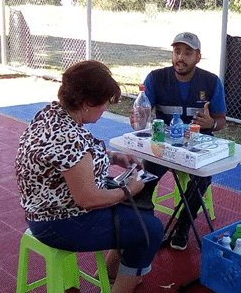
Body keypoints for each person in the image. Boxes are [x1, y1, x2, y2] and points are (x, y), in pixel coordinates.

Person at [15, 60, 162, 292]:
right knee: (150, 230)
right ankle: (124, 282)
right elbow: (88, 199)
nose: (105, 109)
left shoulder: (51, 114)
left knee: (141, 207)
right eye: (103, 103)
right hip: (60, 222)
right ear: (86, 103)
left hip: (44, 209)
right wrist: (127, 190)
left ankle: (116, 270)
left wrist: (113, 156)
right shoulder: (70, 139)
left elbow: (72, 160)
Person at [137, 32, 227, 250]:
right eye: (177, 51)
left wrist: (211, 124)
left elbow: (221, 121)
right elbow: (142, 111)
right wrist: (139, 117)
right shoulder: (155, 78)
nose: (181, 57)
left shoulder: (211, 81)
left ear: (198, 56)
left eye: (188, 52)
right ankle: (146, 226)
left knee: (201, 180)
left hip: (199, 145)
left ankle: (183, 226)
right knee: (145, 178)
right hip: (163, 144)